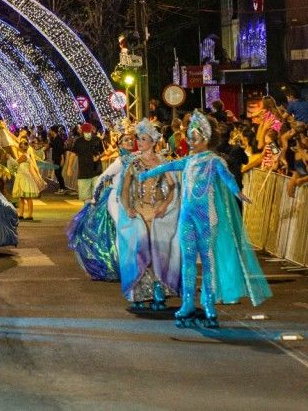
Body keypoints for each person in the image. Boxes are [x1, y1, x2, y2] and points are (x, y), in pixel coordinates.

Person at [138, 111, 271, 328]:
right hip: (187, 217)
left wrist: (238, 192)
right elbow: (168, 166)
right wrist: (146, 175)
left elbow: (228, 178)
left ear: (206, 139)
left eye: (194, 138)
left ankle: (209, 303)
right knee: (188, 260)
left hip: (207, 217)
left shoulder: (214, 161)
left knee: (208, 261)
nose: (190, 141)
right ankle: (188, 303)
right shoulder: (189, 161)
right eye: (189, 137)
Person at [116, 119, 181, 311]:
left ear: (153, 142)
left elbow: (172, 187)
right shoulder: (132, 162)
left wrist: (166, 206)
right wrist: (128, 208)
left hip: (157, 211)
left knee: (157, 252)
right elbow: (124, 189)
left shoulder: (162, 162)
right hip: (140, 211)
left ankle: (158, 290)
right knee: (140, 251)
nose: (140, 142)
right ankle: (140, 292)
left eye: (144, 139)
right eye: (139, 139)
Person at [66, 131, 133, 282]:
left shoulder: (135, 160)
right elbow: (103, 178)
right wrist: (95, 198)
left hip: (129, 199)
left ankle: (127, 265)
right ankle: (120, 266)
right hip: (116, 199)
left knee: (128, 231)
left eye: (131, 139)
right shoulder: (120, 162)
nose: (129, 142)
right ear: (120, 145)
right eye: (126, 140)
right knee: (121, 229)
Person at [7, 136, 45, 221]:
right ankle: (21, 214)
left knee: (27, 197)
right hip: (23, 177)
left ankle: (29, 215)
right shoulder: (27, 156)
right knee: (22, 197)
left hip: (24, 178)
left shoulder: (24, 156)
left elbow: (15, 164)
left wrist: (9, 158)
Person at [70, 123, 105, 202]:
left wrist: (98, 157)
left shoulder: (97, 139)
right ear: (82, 131)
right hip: (83, 172)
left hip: (96, 171)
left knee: (97, 195)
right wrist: (69, 167)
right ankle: (87, 211)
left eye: (89, 131)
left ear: (92, 130)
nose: (87, 133)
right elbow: (73, 154)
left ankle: (95, 212)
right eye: (86, 132)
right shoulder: (78, 141)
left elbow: (103, 152)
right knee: (85, 197)